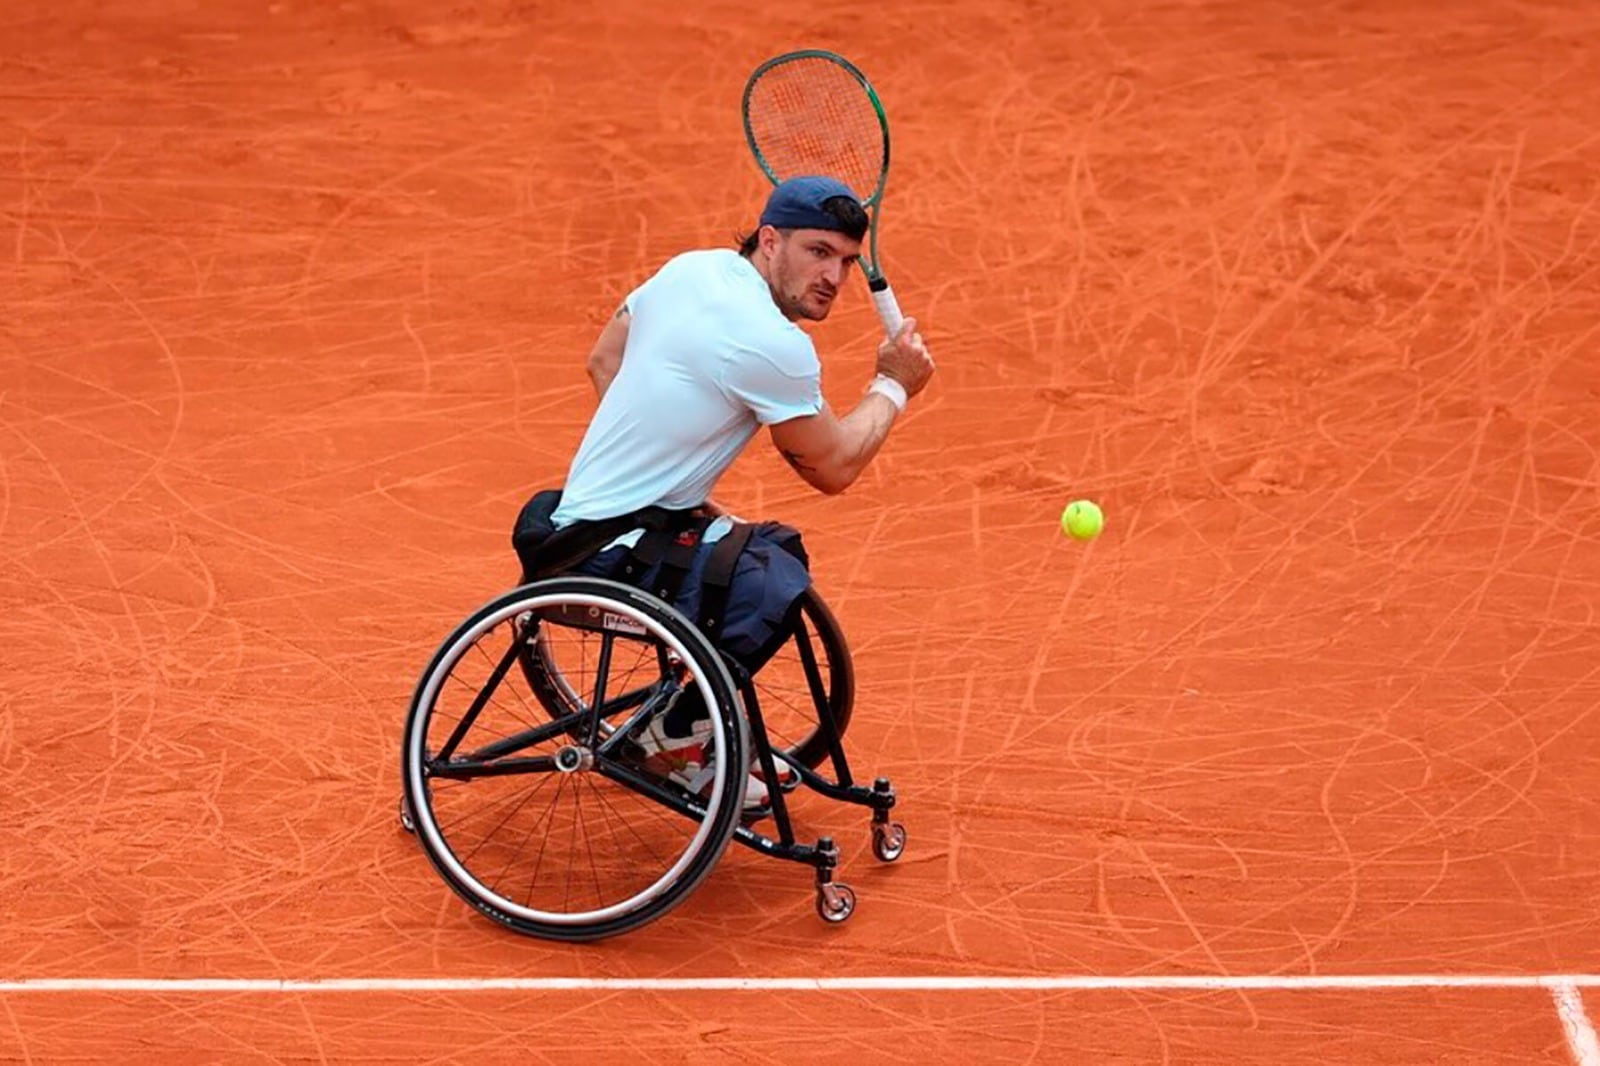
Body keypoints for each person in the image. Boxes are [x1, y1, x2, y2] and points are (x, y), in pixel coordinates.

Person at [512, 174, 935, 815]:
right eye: (818, 252)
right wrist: (893, 385)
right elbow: (835, 467)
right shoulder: (773, 344)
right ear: (771, 240)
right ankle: (672, 739)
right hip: (607, 557)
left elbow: (604, 360)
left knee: (746, 551)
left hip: (574, 527)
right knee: (771, 574)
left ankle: (688, 732)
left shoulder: (691, 268)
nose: (834, 278)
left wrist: (664, 489)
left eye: (847, 261)